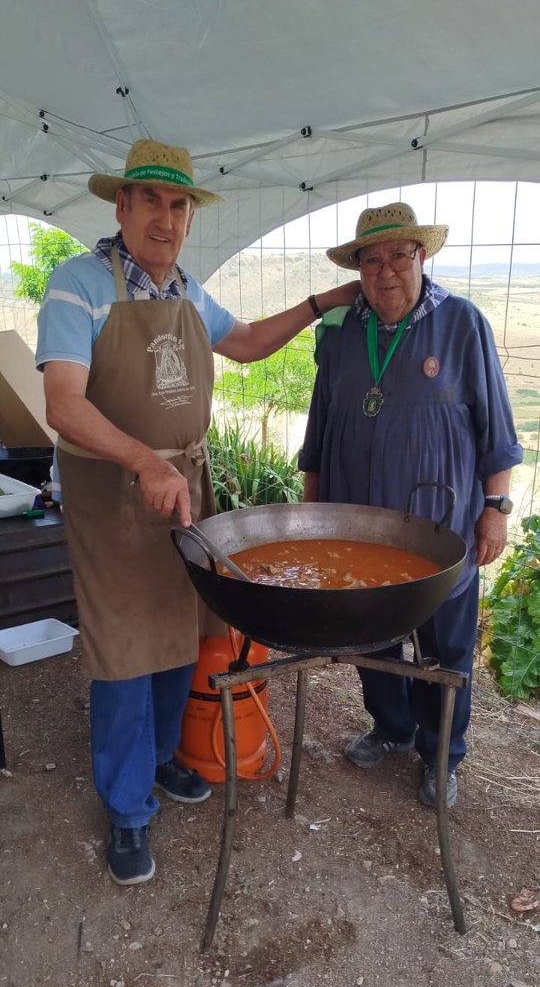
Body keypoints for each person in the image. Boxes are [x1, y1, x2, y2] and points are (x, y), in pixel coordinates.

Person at [36, 139, 359, 885]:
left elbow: (243, 344)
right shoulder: (77, 284)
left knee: (181, 631)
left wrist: (319, 304)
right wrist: (145, 461)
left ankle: (156, 765)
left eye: (178, 204)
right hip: (113, 498)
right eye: (150, 200)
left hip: (185, 489)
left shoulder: (185, 289)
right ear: (120, 206)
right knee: (123, 648)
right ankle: (124, 811)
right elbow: (63, 404)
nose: (166, 217)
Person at [298, 202, 522, 808]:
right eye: (372, 258)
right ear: (358, 269)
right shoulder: (343, 334)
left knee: (444, 644)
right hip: (356, 526)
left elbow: (494, 425)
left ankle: (441, 752)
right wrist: (311, 507)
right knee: (372, 636)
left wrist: (495, 507)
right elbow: (320, 427)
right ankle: (390, 728)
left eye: (400, 254)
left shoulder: (462, 324)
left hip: (440, 526)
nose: (386, 269)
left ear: (422, 257)